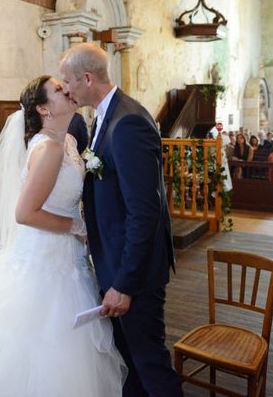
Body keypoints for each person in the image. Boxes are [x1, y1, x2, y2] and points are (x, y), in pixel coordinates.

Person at [0, 76, 125, 396]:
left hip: (67, 259)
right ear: (43, 108)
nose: (67, 90)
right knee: (46, 347)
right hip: (44, 260)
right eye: (57, 89)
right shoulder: (48, 149)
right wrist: (78, 227)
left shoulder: (66, 142)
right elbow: (25, 213)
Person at [60, 43, 183, 397]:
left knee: (150, 363)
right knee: (130, 361)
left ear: (87, 77)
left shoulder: (127, 121)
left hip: (136, 273)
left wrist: (124, 284)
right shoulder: (104, 115)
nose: (66, 89)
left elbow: (145, 212)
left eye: (68, 81)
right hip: (116, 262)